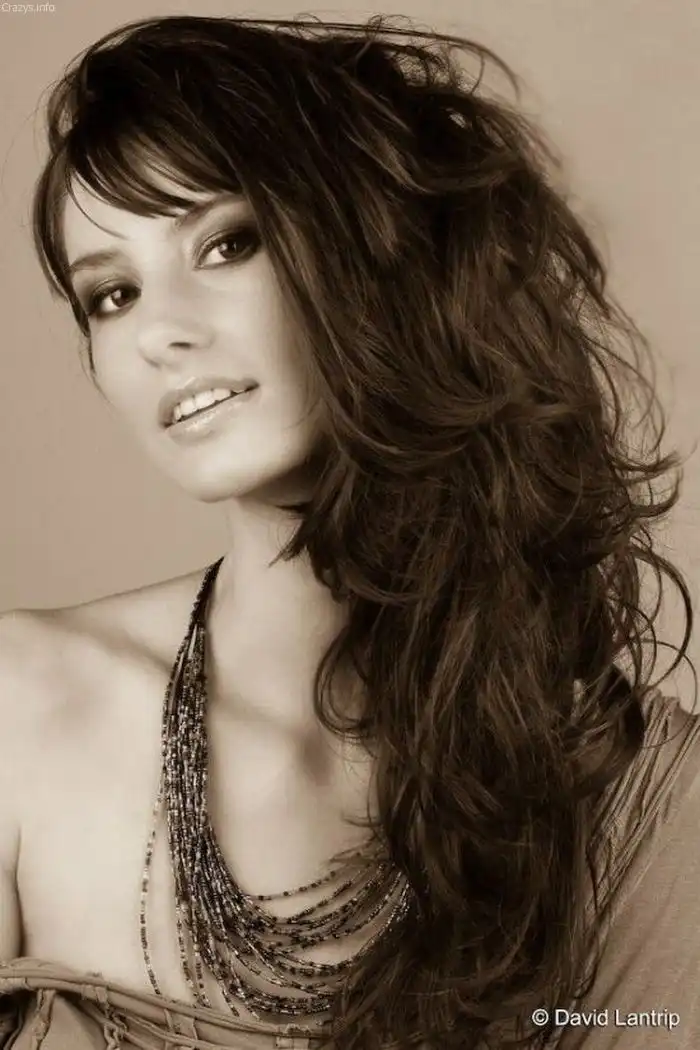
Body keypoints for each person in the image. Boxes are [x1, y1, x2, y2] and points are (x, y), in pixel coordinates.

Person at [0, 12, 698, 1050]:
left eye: (227, 243)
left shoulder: (633, 796)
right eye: (112, 294)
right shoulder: (20, 710)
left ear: (375, 254)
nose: (158, 333)